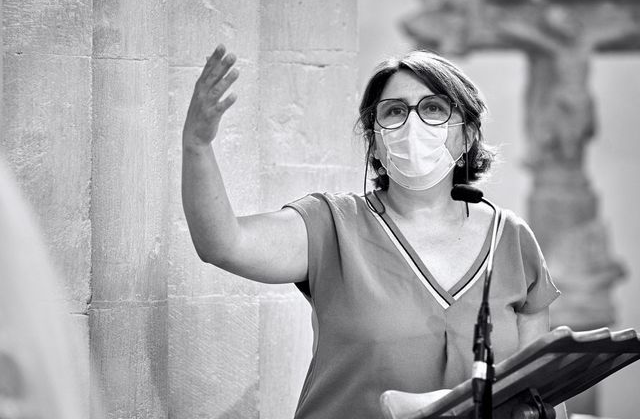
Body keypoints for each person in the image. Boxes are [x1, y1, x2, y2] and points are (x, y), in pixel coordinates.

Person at [182, 44, 564, 419]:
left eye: (433, 108)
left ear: (466, 138)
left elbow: (539, 393)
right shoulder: (332, 225)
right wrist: (197, 146)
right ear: (375, 144)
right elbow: (222, 243)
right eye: (395, 111)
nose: (413, 124)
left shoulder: (508, 238)